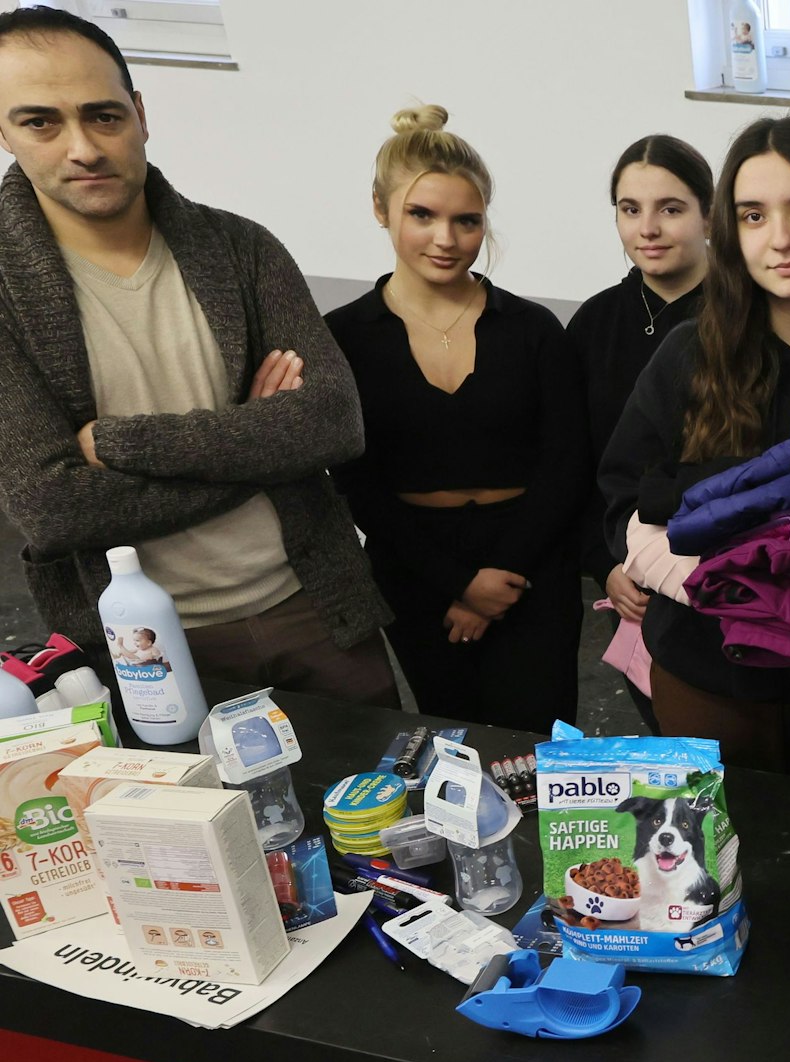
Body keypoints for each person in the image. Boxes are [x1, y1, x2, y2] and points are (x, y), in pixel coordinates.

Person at [0, 7, 395, 705]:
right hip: (145, 646)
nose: (83, 147)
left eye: (104, 116)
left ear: (140, 114)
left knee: (383, 807)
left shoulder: (243, 249)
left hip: (314, 607)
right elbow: (55, 509)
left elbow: (333, 422)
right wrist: (261, 436)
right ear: (5, 130)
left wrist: (120, 443)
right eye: (41, 122)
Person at [599, 115, 790, 777]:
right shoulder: (687, 353)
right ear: (729, 231)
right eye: (752, 215)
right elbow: (624, 490)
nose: (781, 239)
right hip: (706, 683)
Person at [326, 105, 588, 733]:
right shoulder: (342, 338)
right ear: (380, 209)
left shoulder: (532, 331)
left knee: (541, 744)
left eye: (466, 221)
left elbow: (568, 463)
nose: (446, 239)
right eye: (422, 215)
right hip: (417, 570)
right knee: (455, 742)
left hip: (532, 560)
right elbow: (358, 484)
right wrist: (459, 583)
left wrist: (502, 577)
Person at [568, 134, 713, 731]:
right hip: (627, 577)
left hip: (720, 572)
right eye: (630, 209)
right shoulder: (592, 325)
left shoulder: (744, 319)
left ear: (710, 213)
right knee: (672, 741)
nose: (647, 228)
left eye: (670, 208)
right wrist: (608, 564)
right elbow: (574, 465)